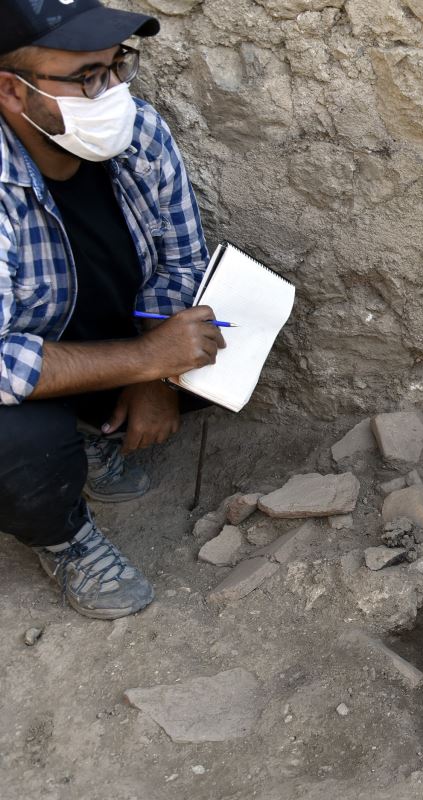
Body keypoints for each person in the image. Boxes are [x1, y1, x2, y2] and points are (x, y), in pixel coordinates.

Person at [0, 0, 224, 619]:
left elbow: (183, 263)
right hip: (21, 369)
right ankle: (63, 538)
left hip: (100, 349)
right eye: (86, 77)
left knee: (222, 340)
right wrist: (145, 359)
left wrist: (155, 375)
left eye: (118, 64)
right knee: (13, 444)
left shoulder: (140, 133)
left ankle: (88, 432)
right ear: (12, 93)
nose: (113, 92)